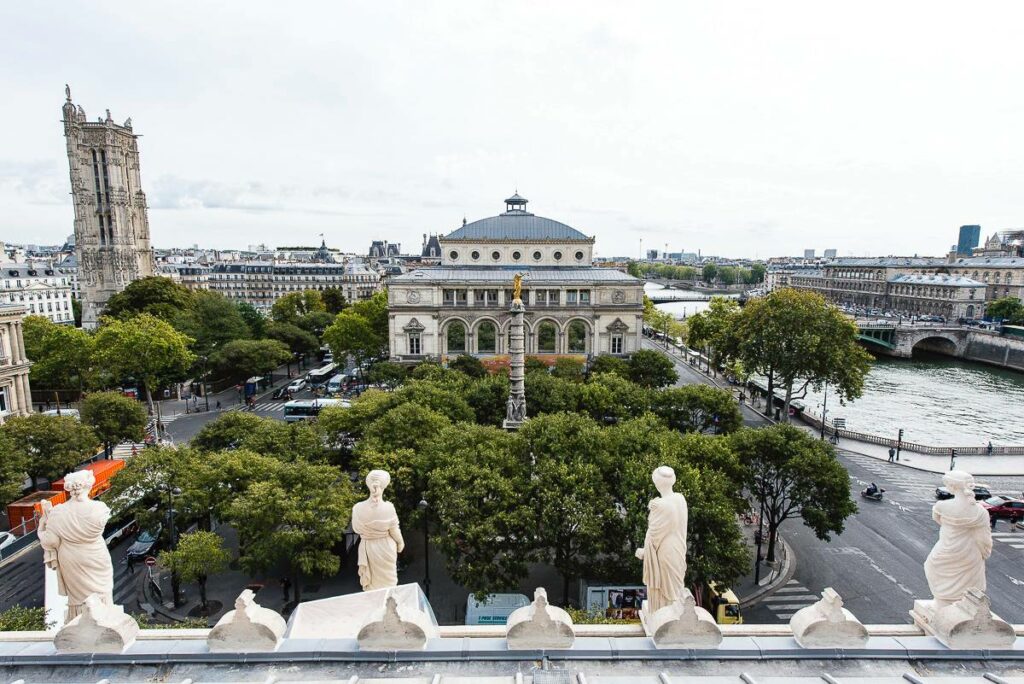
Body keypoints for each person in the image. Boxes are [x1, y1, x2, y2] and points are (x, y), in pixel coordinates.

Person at [37, 470, 114, 620]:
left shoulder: (58, 512)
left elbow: (50, 541)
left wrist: (42, 526)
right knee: (102, 591)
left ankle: (79, 621)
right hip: (96, 555)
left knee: (78, 597)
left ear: (69, 488)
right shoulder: (100, 508)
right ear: (89, 486)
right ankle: (104, 616)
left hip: (71, 558)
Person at [924, 470, 991, 608]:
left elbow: (938, 520)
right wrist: (984, 553)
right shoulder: (980, 512)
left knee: (931, 566)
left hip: (946, 549)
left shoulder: (942, 506)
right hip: (970, 553)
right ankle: (963, 604)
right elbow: (984, 538)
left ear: (952, 486)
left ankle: (942, 602)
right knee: (968, 584)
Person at [635, 466, 688, 615]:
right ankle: (673, 616)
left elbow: (654, 535)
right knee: (675, 590)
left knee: (664, 591)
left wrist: (644, 551)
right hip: (677, 549)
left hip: (664, 553)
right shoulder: (680, 499)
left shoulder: (659, 505)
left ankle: (662, 618)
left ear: (657, 484)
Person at [351, 470, 404, 591]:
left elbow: (356, 529)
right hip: (386, 547)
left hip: (368, 547)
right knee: (389, 585)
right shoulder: (388, 507)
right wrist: (400, 543)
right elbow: (394, 530)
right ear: (385, 485)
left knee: (372, 588)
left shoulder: (357, 508)